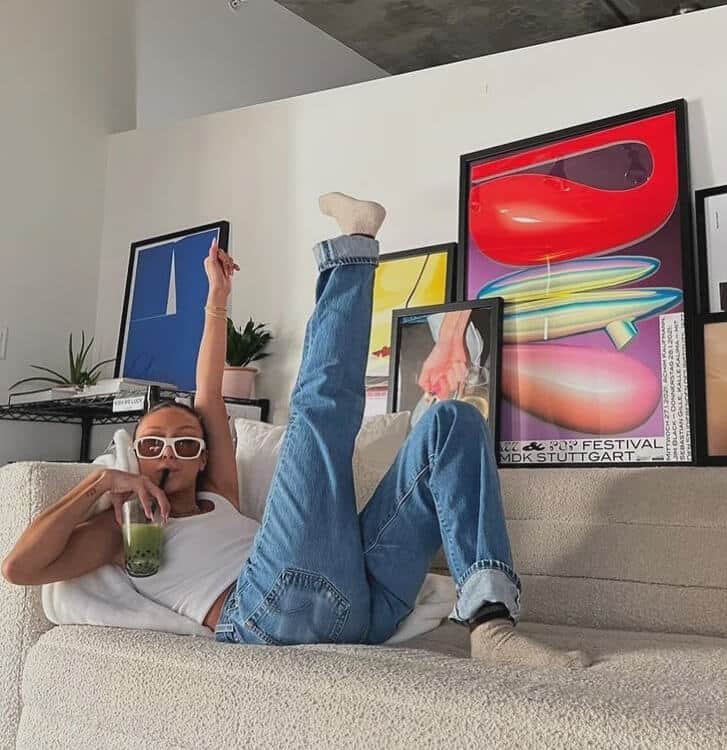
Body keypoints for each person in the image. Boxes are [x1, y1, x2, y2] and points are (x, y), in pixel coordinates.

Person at [2, 193, 589, 669]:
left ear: (204, 457)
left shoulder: (218, 495)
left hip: (364, 607)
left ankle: (489, 623)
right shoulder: (124, 532)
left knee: (451, 419)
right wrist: (101, 484)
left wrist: (217, 299)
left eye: (187, 444)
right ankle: (352, 250)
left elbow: (208, 394)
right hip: (268, 613)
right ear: (138, 456)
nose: (170, 456)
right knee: (316, 419)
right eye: (154, 445)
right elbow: (19, 569)